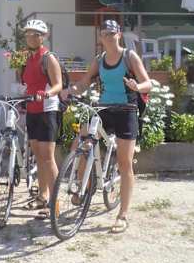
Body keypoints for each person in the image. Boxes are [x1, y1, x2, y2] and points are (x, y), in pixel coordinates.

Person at [61, 19, 151, 233]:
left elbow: (148, 83)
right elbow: (85, 82)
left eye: (112, 33)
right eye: (104, 34)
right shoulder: (99, 60)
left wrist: (137, 86)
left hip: (127, 110)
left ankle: (122, 215)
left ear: (119, 34)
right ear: (100, 37)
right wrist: (71, 90)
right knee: (82, 142)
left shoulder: (129, 56)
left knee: (125, 163)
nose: (108, 37)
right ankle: (83, 188)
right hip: (103, 108)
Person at [20, 19, 63, 220]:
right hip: (32, 110)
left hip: (47, 109)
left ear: (43, 37)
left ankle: (55, 203)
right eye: (28, 33)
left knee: (47, 156)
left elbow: (58, 85)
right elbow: (27, 83)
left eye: (35, 34)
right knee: (38, 156)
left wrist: (46, 94)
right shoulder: (27, 58)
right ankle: (43, 195)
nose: (31, 37)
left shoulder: (48, 58)